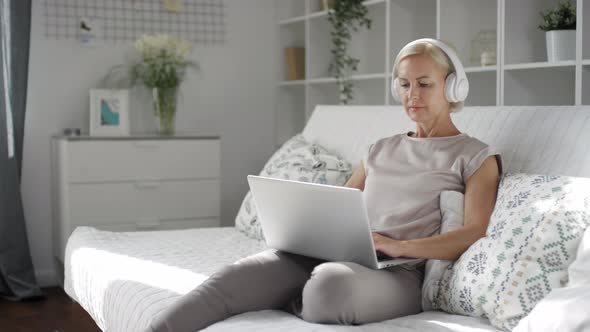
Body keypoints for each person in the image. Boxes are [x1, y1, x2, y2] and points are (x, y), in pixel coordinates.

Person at [147, 38, 502, 332]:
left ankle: (293, 291)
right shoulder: (380, 148)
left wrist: (401, 246)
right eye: (405, 84)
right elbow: (340, 204)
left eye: (425, 84)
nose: (413, 95)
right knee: (237, 276)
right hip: (343, 255)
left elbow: (473, 232)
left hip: (400, 274)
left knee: (329, 287)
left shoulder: (475, 156)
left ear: (453, 86)